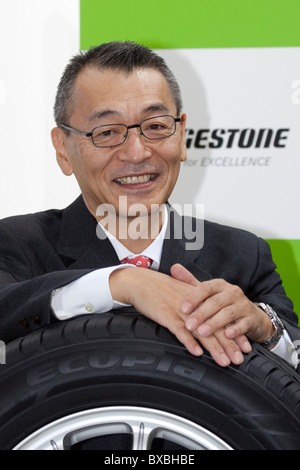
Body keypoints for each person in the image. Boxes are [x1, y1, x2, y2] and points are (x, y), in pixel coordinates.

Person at [0, 41, 299, 370]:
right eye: (107, 132)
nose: (137, 153)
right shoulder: (17, 245)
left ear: (182, 134)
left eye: (156, 127)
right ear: (63, 149)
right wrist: (122, 282)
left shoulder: (243, 256)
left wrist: (265, 328)